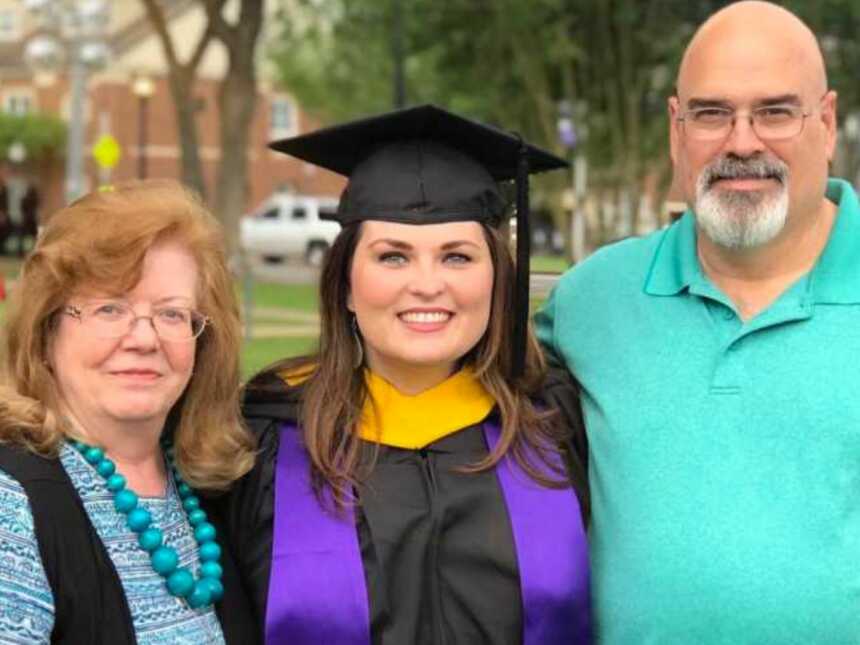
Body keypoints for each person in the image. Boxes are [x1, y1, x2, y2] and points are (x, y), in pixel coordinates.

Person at [536, 1, 858, 642]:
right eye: (713, 113)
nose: (743, 142)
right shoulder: (593, 301)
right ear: (677, 127)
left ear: (824, 121)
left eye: (774, 111)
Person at [213, 105, 591, 644]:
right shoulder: (263, 444)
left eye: (457, 257)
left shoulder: (558, 427)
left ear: (497, 281)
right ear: (345, 284)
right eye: (393, 257)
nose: (427, 284)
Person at [0, 180, 259, 644]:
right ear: (46, 333)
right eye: (109, 309)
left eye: (172, 314)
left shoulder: (210, 488)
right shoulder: (11, 506)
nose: (143, 339)